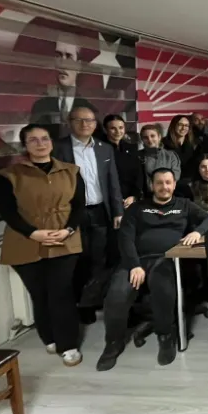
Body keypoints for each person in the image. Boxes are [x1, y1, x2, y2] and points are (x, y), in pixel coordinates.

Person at [97, 168, 208, 371]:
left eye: (168, 182)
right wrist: (134, 265)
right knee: (116, 295)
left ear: (174, 185)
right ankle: (113, 343)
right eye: (159, 183)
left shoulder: (184, 205)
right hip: (135, 261)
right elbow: (125, 239)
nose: (164, 187)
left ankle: (165, 335)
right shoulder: (137, 208)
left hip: (167, 259)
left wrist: (197, 232)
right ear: (152, 185)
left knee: (163, 288)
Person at [0, 123, 85, 367]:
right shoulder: (10, 175)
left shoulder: (71, 171)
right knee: (39, 293)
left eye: (44, 138)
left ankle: (68, 345)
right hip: (25, 240)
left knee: (61, 292)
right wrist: (34, 233)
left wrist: (67, 230)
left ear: (51, 142)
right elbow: (8, 211)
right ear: (25, 145)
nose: (40, 144)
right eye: (33, 140)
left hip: (64, 239)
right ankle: (49, 336)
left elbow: (79, 206)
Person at [54, 106, 124, 324]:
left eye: (90, 120)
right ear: (69, 122)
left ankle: (91, 300)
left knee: (99, 258)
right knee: (78, 259)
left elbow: (113, 182)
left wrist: (118, 210)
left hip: (100, 210)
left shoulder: (104, 148)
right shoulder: (59, 148)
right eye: (79, 120)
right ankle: (79, 303)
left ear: (95, 124)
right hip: (73, 213)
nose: (85, 124)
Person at [29, 40, 95, 139]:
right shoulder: (40, 107)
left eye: (69, 57)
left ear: (79, 66)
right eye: (58, 56)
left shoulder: (90, 110)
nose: (62, 63)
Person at [104, 114, 144, 208]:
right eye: (113, 128)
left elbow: (138, 175)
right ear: (106, 130)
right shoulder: (100, 150)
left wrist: (134, 196)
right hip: (108, 202)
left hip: (130, 201)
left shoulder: (132, 148)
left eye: (121, 127)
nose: (118, 131)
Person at [139, 123, 181, 187]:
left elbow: (175, 176)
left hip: (167, 190)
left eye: (152, 136)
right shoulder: (137, 156)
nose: (149, 140)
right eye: (145, 137)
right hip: (145, 191)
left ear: (159, 137)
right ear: (142, 140)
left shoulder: (171, 155)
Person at [164, 114, 202, 183]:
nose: (183, 128)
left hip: (191, 182)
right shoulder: (163, 144)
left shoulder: (195, 143)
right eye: (180, 125)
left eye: (186, 125)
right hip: (171, 182)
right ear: (173, 126)